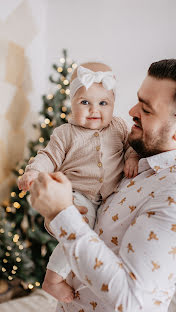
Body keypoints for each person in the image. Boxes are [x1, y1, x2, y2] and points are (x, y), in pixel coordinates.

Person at [30, 59, 176, 312]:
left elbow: (132, 302)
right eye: (138, 100)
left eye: (146, 110)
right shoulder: (140, 154)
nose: (131, 111)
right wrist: (61, 212)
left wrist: (63, 215)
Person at [18, 62, 139, 303]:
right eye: (85, 102)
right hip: (74, 194)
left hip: (106, 199)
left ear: (113, 104)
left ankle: (78, 274)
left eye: (103, 103)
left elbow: (130, 147)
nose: (94, 109)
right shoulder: (65, 133)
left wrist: (133, 157)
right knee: (81, 221)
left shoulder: (119, 127)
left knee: (97, 235)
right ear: (71, 103)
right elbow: (48, 157)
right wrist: (33, 172)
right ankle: (53, 279)